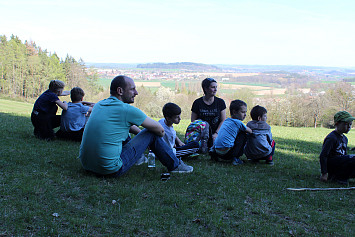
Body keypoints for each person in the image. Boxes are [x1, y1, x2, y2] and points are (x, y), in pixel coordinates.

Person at [79, 75, 193, 177]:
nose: (136, 92)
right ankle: (175, 165)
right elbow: (160, 130)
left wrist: (142, 139)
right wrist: (147, 138)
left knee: (126, 131)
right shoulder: (127, 109)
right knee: (151, 132)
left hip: (87, 165)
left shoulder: (99, 104)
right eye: (132, 89)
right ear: (120, 91)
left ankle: (138, 158)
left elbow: (121, 126)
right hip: (110, 169)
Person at [209, 99, 252, 165]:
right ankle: (235, 158)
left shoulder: (226, 121)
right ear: (234, 112)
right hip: (227, 154)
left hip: (217, 151)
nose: (245, 115)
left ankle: (214, 153)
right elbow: (250, 131)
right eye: (243, 112)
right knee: (243, 134)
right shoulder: (238, 122)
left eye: (245, 112)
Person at [319, 111, 355, 185]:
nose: (349, 127)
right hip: (333, 165)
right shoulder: (331, 138)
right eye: (346, 124)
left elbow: (345, 156)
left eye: (350, 124)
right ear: (337, 124)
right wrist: (324, 173)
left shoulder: (345, 139)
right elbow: (323, 155)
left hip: (342, 164)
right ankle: (338, 177)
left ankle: (345, 175)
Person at [190, 78, 226, 147]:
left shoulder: (220, 102)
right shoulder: (197, 103)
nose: (215, 89)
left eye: (216, 87)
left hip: (217, 133)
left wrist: (216, 133)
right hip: (201, 134)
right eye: (213, 87)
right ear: (205, 89)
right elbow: (193, 122)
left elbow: (223, 120)